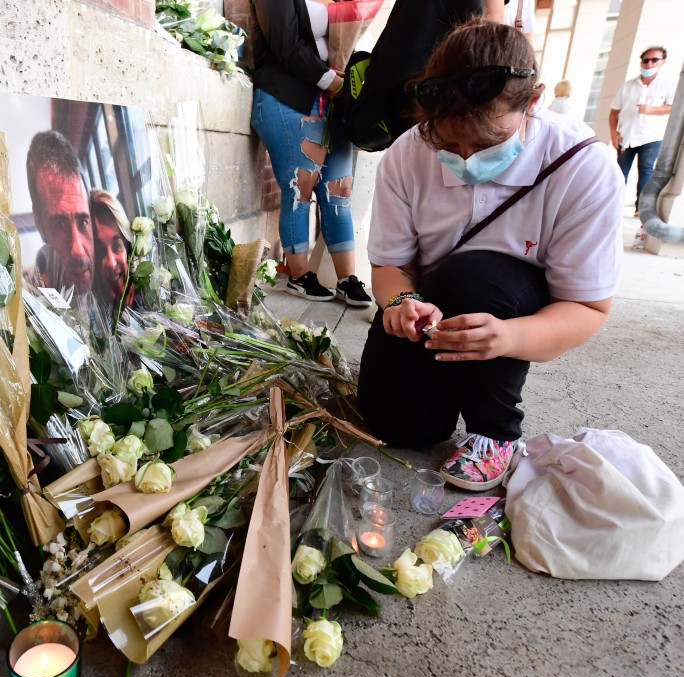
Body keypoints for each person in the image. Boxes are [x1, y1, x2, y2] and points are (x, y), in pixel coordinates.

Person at [357, 19, 622, 491]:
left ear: (533, 103)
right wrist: (400, 304)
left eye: (486, 144)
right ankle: (449, 389)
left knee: (473, 275)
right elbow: (390, 267)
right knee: (399, 428)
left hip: (506, 303)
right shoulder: (407, 155)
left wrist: (506, 338)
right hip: (435, 306)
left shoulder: (583, 165)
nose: (465, 158)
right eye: (449, 143)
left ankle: (495, 432)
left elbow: (587, 307)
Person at [248, 0, 372, 306]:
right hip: (287, 96)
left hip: (335, 104)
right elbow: (284, 44)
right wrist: (333, 81)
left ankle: (347, 280)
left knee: (340, 189)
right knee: (301, 184)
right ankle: (299, 275)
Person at [26, 130, 95, 294]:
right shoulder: (27, 303)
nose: (78, 250)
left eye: (83, 222)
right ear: (39, 223)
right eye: (60, 225)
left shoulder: (108, 283)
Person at [609, 46, 675, 216]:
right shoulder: (628, 86)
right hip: (627, 136)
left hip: (651, 137)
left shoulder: (667, 84)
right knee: (619, 172)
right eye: (646, 60)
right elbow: (614, 111)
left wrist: (650, 110)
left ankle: (641, 209)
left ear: (662, 62)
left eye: (654, 60)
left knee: (646, 171)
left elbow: (672, 107)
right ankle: (612, 205)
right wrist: (613, 133)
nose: (649, 63)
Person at [89, 188, 132, 311]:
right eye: (100, 252)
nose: (112, 263)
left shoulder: (152, 293)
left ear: (127, 248)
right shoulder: (91, 314)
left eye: (116, 246)